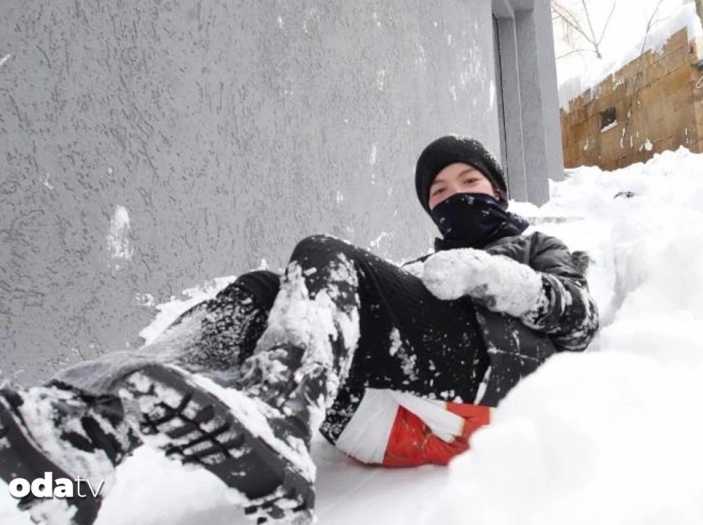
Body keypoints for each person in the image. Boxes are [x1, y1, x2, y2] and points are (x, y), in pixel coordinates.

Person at [0, 135, 600, 525]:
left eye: (467, 182)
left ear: (495, 189)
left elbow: (580, 317)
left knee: (321, 251)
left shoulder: (533, 244)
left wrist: (492, 274)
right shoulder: (416, 274)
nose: (452, 196)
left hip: (476, 385)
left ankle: (280, 420)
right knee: (262, 289)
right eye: (438, 192)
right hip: (367, 411)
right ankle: (86, 430)